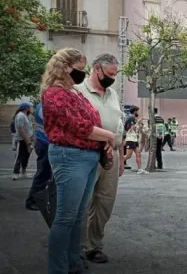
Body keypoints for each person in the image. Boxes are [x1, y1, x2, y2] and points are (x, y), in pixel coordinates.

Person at [41, 48, 116, 274]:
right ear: (65, 67)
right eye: (79, 69)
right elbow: (79, 126)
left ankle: (74, 263)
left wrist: (104, 142)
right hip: (70, 156)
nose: (81, 74)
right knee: (65, 217)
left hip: (88, 156)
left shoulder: (74, 92)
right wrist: (109, 136)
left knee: (77, 216)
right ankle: (58, 269)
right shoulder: (54, 93)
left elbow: (93, 119)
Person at [76, 53, 125, 265]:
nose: (112, 78)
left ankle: (93, 246)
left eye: (115, 74)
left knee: (105, 202)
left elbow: (119, 124)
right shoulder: (78, 91)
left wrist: (121, 156)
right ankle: (76, 246)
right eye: (110, 74)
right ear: (97, 69)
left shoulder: (113, 94)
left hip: (111, 154)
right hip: (86, 152)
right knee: (81, 202)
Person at [25, 102, 51, 211]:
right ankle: (32, 201)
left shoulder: (43, 104)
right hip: (45, 144)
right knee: (43, 173)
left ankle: (40, 200)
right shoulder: (45, 106)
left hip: (43, 143)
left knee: (46, 174)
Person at [12, 102, 34, 180]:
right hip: (22, 140)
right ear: (26, 108)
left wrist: (31, 137)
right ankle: (15, 173)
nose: (31, 108)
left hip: (28, 139)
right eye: (30, 107)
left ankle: (23, 171)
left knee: (26, 156)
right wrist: (27, 141)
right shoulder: (20, 116)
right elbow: (21, 130)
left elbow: (29, 128)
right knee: (19, 156)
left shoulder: (26, 116)